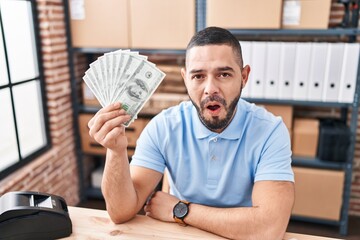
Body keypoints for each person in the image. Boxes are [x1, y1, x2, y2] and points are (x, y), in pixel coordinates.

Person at [88, 27, 295, 240]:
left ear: (243, 77)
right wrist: (115, 151)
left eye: (223, 74)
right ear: (186, 79)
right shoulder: (162, 127)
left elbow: (269, 229)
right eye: (198, 76)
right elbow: (120, 212)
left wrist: (180, 209)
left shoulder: (270, 131)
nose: (210, 88)